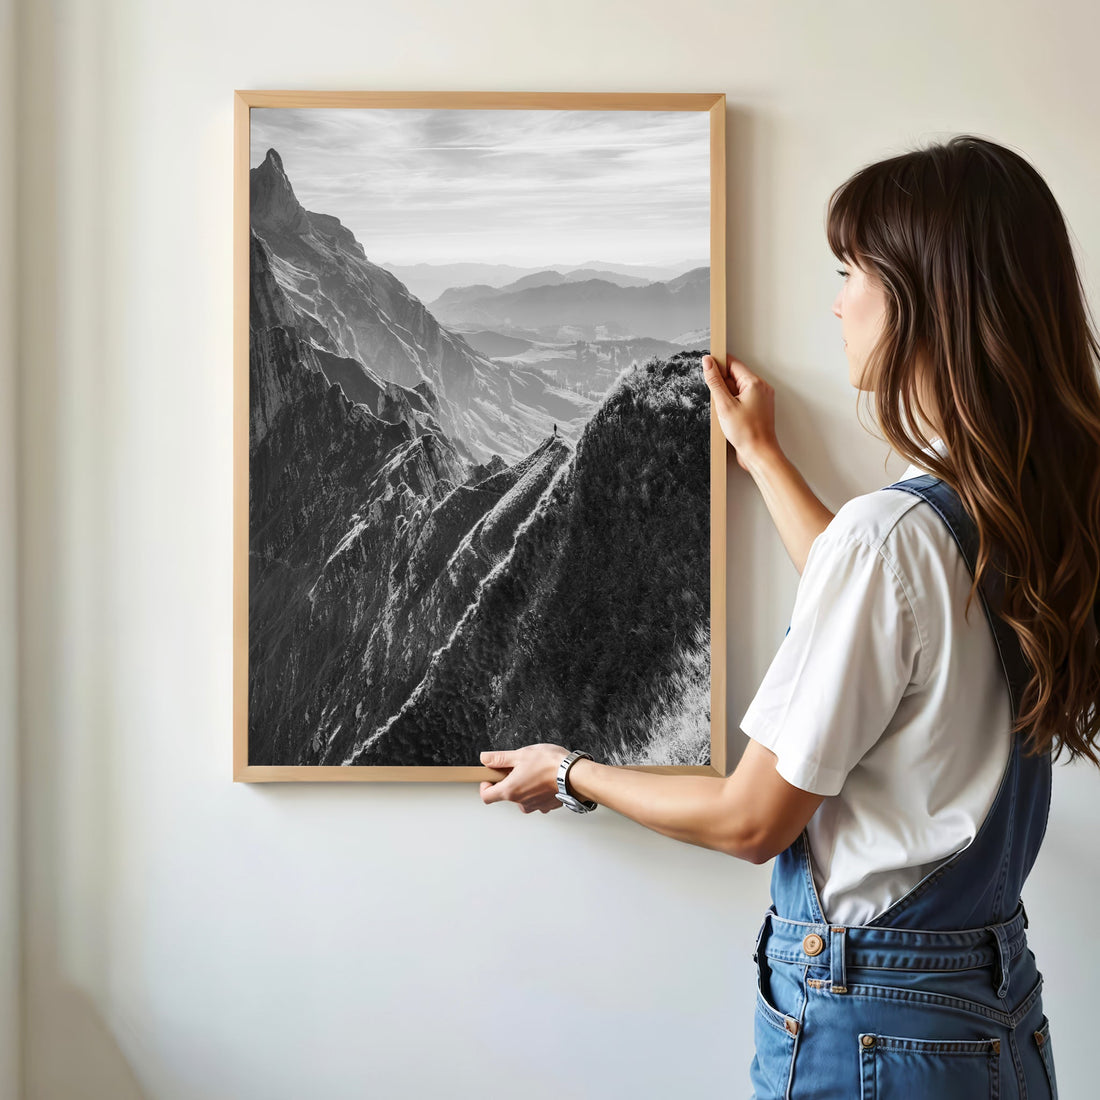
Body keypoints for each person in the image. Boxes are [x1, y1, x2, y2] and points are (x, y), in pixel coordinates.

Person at [477, 134, 1100, 1098]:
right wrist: (764, 456)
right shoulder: (1017, 509)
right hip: (988, 1014)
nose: (838, 299)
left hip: (873, 1029)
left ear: (925, 300)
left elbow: (750, 819)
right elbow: (889, 624)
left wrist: (569, 771)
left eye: (852, 271)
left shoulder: (894, 536)